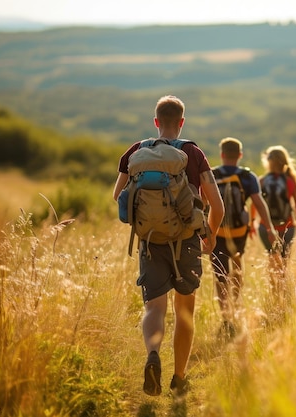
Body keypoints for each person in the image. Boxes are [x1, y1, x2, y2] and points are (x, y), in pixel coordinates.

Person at [112, 95, 224, 397]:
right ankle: (178, 377)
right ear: (182, 122)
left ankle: (152, 354)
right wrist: (208, 235)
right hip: (186, 241)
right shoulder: (193, 152)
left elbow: (117, 196)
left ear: (156, 122)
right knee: (185, 309)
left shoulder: (136, 151)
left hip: (150, 241)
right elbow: (218, 205)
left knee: (154, 308)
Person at [210, 137, 278, 339]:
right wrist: (269, 226)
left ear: (222, 154)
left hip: (215, 231)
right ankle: (236, 304)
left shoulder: (211, 175)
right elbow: (259, 202)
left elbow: (201, 202)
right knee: (237, 265)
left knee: (219, 273)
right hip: (240, 232)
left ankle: (225, 318)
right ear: (240, 155)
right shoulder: (248, 176)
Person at [251, 145, 296, 295]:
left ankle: (274, 291)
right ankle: (282, 290)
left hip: (265, 227)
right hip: (288, 226)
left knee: (272, 258)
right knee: (284, 261)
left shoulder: (261, 181)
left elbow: (254, 204)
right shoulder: (290, 180)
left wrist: (251, 223)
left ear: (269, 161)